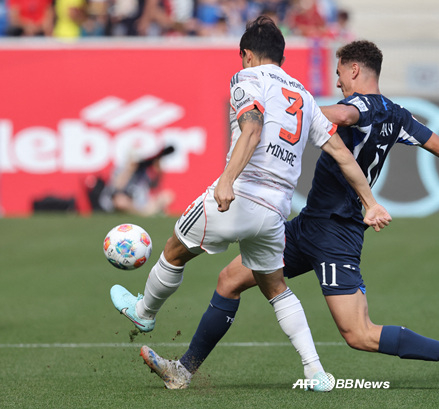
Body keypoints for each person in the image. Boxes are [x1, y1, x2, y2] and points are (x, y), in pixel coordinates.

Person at [140, 40, 439, 391]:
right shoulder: (399, 115)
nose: (338, 82)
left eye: (339, 74)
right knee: (230, 280)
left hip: (337, 233)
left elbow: (336, 114)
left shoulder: (359, 107)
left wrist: (290, 111)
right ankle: (183, 370)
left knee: (359, 334)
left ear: (354, 70)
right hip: (309, 224)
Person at [110, 18, 391, 391]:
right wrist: (370, 202)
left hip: (239, 196)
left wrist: (227, 180)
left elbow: (253, 129)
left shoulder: (246, 79)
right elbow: (341, 152)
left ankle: (144, 312)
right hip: (276, 211)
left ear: (246, 54)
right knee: (276, 288)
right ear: (282, 57)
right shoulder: (303, 95)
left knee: (175, 250)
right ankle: (315, 371)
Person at [96, 145, 175, 216]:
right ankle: (144, 214)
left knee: (166, 196)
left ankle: (145, 212)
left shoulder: (142, 171)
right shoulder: (121, 169)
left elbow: (154, 186)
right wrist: (130, 169)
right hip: (122, 201)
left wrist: (158, 170)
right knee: (121, 201)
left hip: (139, 202)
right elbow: (117, 187)